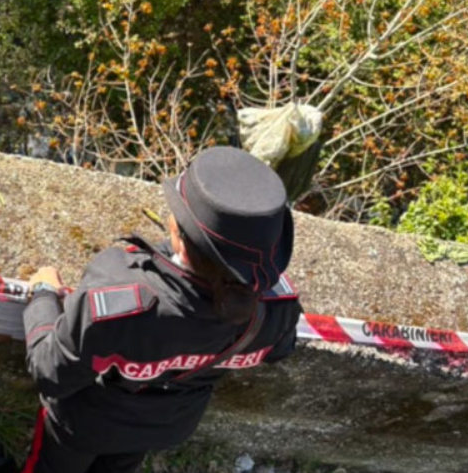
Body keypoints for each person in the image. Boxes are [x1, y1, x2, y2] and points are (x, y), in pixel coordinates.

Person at [20, 146, 303, 473]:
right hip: (166, 426)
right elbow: (279, 350)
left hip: (85, 425)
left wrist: (43, 294)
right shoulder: (278, 311)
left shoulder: (120, 299)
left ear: (178, 235)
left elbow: (49, 371)